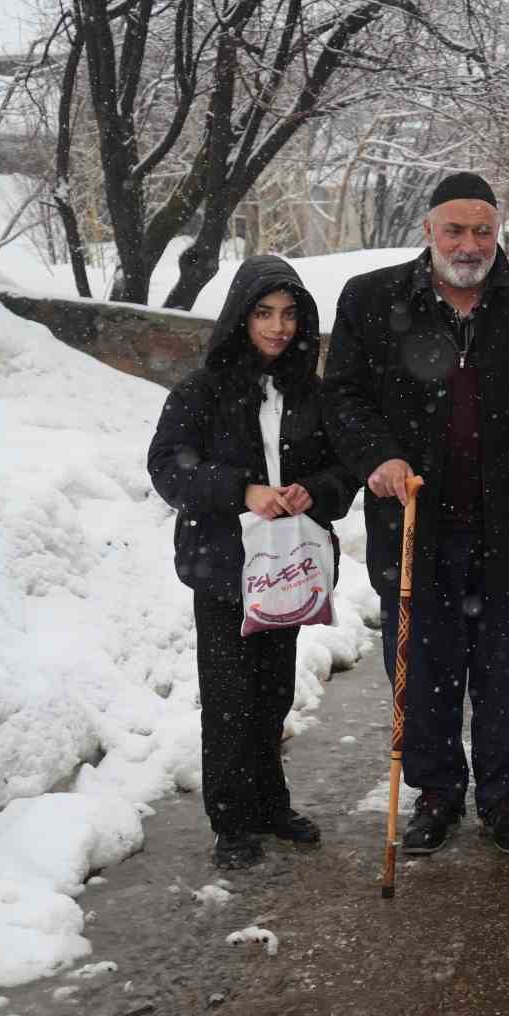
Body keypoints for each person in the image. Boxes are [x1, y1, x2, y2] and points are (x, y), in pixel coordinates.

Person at [325, 171, 509, 856]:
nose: (469, 245)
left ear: (501, 233)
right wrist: (377, 457)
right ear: (427, 230)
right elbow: (344, 397)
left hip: (505, 526)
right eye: (455, 230)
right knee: (421, 668)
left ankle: (502, 795)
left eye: (482, 231)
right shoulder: (372, 300)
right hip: (414, 525)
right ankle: (436, 790)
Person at [147, 256, 359, 870]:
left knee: (272, 693)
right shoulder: (202, 390)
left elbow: (346, 468)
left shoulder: (311, 393)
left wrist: (311, 490)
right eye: (264, 313)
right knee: (229, 696)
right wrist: (242, 491)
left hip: (288, 567)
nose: (278, 327)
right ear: (241, 317)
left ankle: (270, 803)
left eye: (290, 314)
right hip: (223, 569)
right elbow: (167, 466)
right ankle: (231, 819)